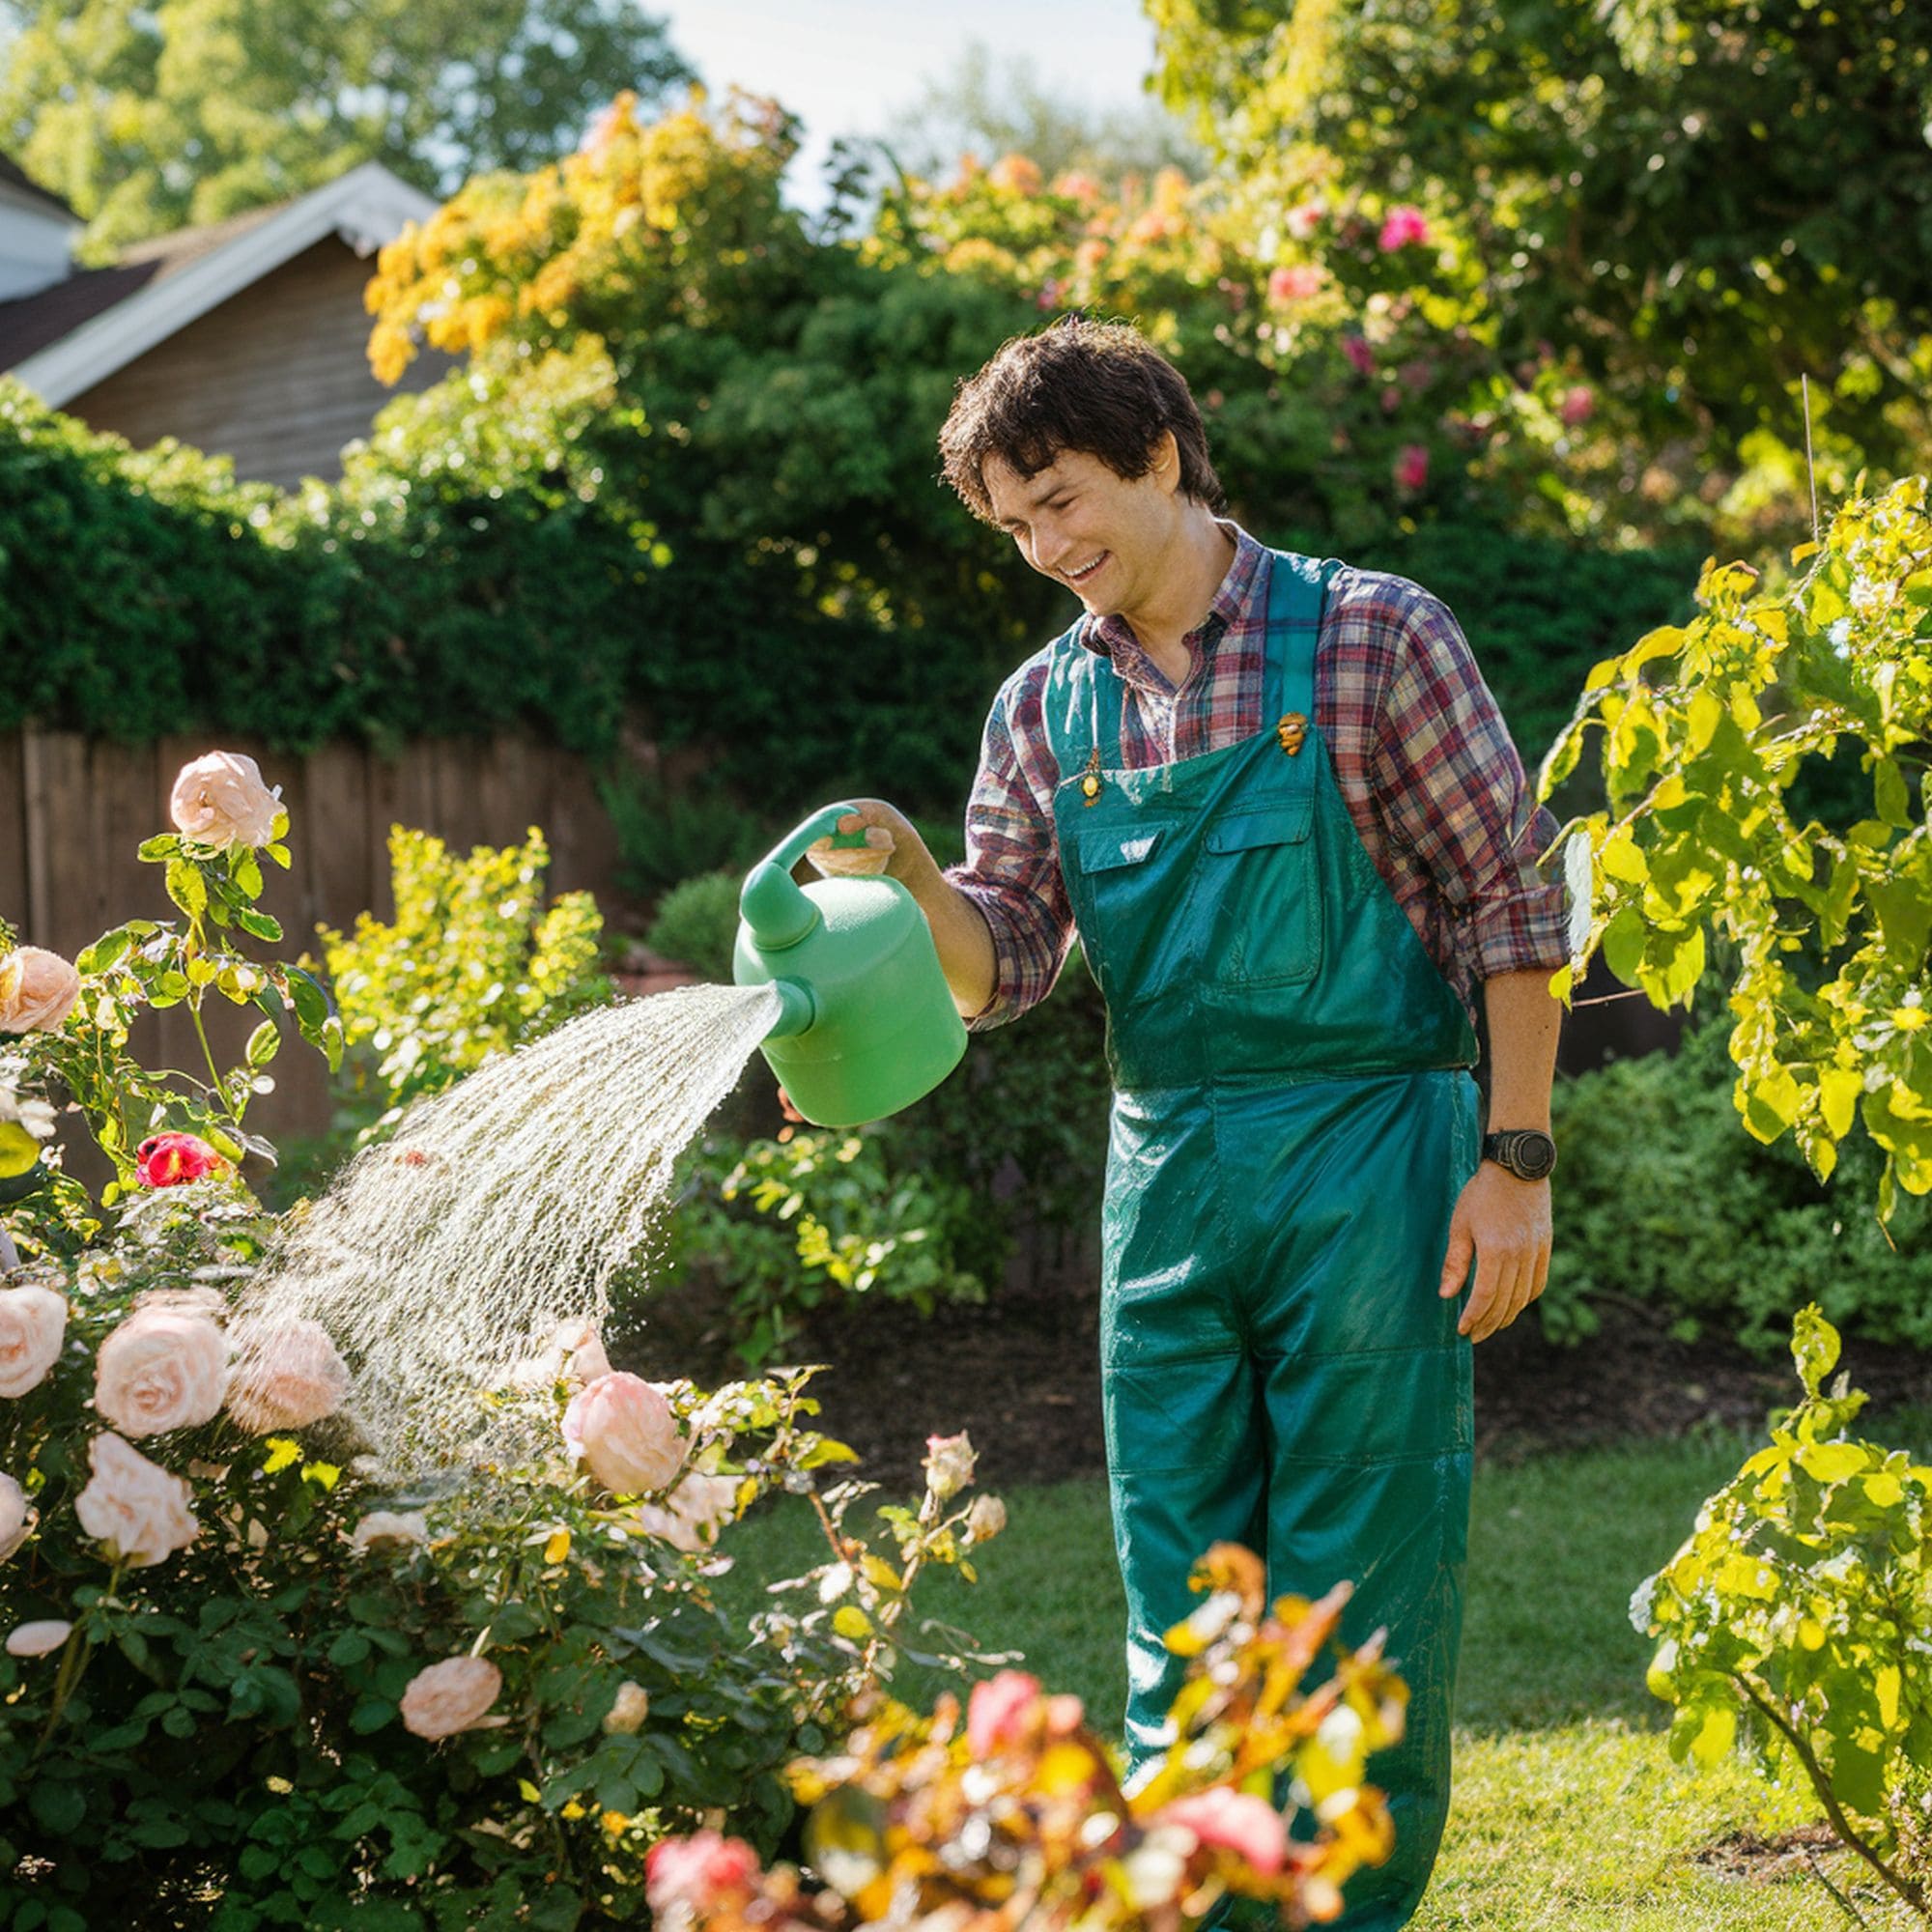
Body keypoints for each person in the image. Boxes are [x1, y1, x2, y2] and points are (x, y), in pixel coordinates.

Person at [808, 317, 1565, 1929]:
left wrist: (1514, 1165)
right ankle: (1191, 1909)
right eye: (1014, 526)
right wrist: (917, 883)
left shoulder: (1370, 636)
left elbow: (1514, 897)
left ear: (1158, 455)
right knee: (1180, 1595)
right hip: (1163, 1185)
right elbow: (1003, 967)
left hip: (1375, 1155)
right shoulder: (1041, 711)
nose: (1047, 547)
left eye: (1063, 499)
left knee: (1357, 1593)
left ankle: (1340, 1913)